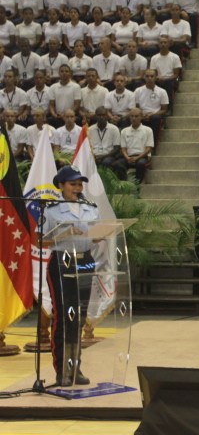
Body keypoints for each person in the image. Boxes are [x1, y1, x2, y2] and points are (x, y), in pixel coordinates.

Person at [42, 165, 100, 386]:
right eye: (72, 184)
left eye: (80, 184)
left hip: (85, 260)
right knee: (64, 318)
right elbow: (39, 241)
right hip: (62, 261)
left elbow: (94, 233)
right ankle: (62, 370)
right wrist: (64, 234)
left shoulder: (90, 208)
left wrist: (100, 235)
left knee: (79, 316)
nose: (77, 187)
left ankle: (75, 367)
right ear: (61, 186)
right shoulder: (51, 210)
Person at [117, 108, 153, 182]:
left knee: (141, 164)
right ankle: (122, 185)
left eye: (136, 116)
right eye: (132, 116)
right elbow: (123, 148)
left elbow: (149, 148)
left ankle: (138, 186)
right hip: (129, 156)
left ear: (141, 117)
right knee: (119, 163)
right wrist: (127, 158)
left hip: (142, 156)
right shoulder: (124, 131)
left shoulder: (148, 130)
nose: (134, 118)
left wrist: (137, 158)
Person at [88, 107, 122, 174]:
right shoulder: (90, 129)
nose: (101, 117)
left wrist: (103, 157)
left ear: (107, 116)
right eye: (99, 115)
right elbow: (87, 147)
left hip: (108, 155)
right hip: (94, 155)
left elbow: (117, 148)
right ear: (95, 116)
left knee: (106, 162)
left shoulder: (114, 129)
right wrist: (94, 156)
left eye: (103, 115)